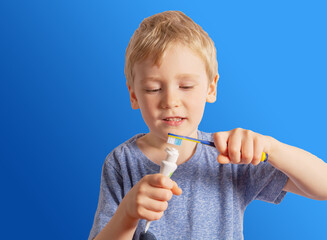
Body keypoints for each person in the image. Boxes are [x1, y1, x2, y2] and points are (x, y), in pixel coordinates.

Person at [89, 10, 327, 240]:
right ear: (134, 96)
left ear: (211, 88)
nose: (170, 101)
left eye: (186, 86)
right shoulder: (122, 162)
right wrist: (128, 214)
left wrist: (271, 148)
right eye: (153, 89)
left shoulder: (230, 157)